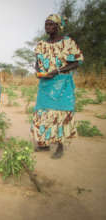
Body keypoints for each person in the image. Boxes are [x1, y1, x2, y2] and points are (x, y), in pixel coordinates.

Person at [31, 14, 84, 159]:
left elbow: (77, 62)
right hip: (45, 84)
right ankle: (44, 143)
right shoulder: (41, 44)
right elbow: (37, 62)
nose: (47, 27)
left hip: (62, 84)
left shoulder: (68, 42)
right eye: (46, 24)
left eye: (51, 24)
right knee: (43, 112)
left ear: (58, 26)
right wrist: (38, 72)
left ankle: (60, 146)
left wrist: (58, 71)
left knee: (60, 114)